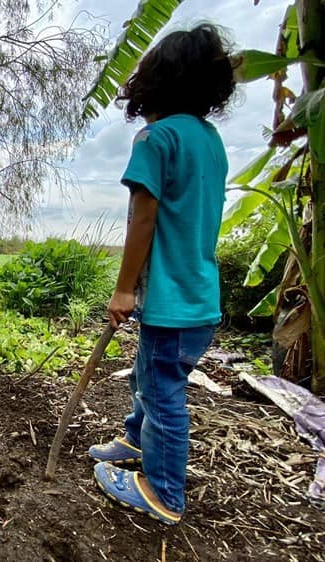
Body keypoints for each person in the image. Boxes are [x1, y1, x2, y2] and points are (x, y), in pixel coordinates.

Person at [88, 24, 236, 525]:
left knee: (160, 391)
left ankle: (164, 493)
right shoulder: (210, 140)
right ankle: (135, 439)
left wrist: (124, 287)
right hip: (198, 299)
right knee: (149, 379)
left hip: (170, 303)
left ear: (152, 85)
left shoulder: (156, 138)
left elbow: (143, 219)